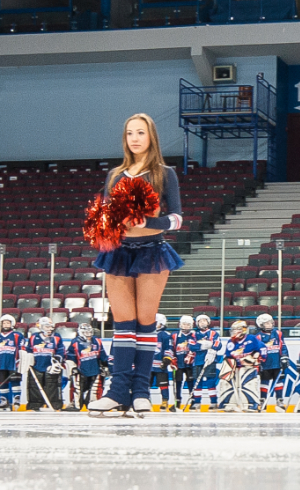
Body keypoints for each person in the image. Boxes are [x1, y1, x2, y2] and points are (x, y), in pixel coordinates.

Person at [88, 113, 185, 418]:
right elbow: (104, 213)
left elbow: (178, 218)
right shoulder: (115, 174)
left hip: (152, 251)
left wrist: (147, 221)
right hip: (118, 252)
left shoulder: (164, 173)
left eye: (140, 132)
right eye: (129, 132)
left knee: (145, 321)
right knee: (123, 323)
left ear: (151, 137)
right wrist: (106, 222)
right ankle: (117, 392)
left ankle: (141, 393)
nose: (134, 138)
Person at [218, 320, 264, 412]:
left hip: (248, 367)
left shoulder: (252, 338)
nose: (234, 331)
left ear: (243, 330)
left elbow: (262, 349)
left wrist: (257, 357)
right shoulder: (231, 341)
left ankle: (250, 404)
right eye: (233, 329)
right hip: (234, 367)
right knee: (226, 383)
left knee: (248, 384)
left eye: (236, 329)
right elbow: (227, 355)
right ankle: (228, 404)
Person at [64, 322, 109, 412]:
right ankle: (76, 405)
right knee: (78, 390)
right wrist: (73, 367)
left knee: (93, 391)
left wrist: (106, 365)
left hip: (95, 370)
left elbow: (102, 355)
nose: (88, 334)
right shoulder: (75, 342)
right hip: (81, 371)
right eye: (86, 332)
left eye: (89, 331)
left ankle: (92, 404)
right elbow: (70, 356)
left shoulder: (97, 341)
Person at [24, 318, 65, 411]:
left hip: (50, 366)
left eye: (51, 327)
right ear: (41, 327)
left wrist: (57, 362)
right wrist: (29, 359)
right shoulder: (34, 337)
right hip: (37, 365)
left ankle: (53, 404)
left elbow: (60, 350)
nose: (49, 329)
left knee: (52, 385)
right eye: (47, 326)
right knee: (34, 386)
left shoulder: (56, 337)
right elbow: (29, 349)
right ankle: (35, 405)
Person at [252, 313, 288, 408]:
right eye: (267, 323)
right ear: (261, 325)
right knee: (264, 382)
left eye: (270, 323)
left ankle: (279, 400)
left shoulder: (278, 334)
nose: (270, 325)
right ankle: (263, 400)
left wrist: (284, 357)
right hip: (265, 363)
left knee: (278, 382)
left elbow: (283, 346)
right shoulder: (258, 337)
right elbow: (256, 350)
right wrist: (258, 362)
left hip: (277, 363)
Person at [0, 315, 25, 411]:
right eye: (4, 323)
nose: (6, 325)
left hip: (13, 363)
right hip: (2, 363)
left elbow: (22, 348)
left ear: (12, 324)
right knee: (3, 382)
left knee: (15, 381)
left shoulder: (17, 335)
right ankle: (4, 401)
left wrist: (20, 359)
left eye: (8, 323)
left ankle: (16, 400)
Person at [149, 313, 176, 411]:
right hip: (148, 365)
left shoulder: (165, 335)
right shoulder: (147, 334)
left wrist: (167, 359)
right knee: (145, 383)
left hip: (160, 365)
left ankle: (165, 400)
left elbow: (168, 348)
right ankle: (146, 399)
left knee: (163, 383)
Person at [171, 315, 198, 406]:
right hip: (178, 363)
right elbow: (171, 348)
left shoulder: (195, 335)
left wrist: (192, 356)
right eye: (184, 324)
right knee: (178, 381)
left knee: (191, 381)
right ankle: (178, 400)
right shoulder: (175, 335)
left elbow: (197, 348)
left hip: (190, 364)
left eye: (188, 324)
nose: (185, 326)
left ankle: (193, 400)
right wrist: (172, 359)